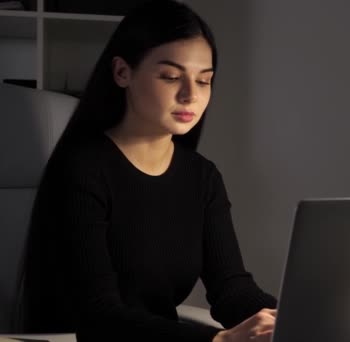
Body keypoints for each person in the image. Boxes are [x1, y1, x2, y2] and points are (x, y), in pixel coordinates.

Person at [22, 1, 277, 341]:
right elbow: (99, 315)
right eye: (171, 77)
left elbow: (231, 289)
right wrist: (220, 340)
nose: (190, 95)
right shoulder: (82, 169)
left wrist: (291, 317)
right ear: (121, 73)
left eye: (204, 81)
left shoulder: (202, 177)